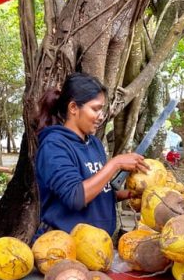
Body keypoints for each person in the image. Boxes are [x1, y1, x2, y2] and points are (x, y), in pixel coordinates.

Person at [35, 72, 149, 237]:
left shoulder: (94, 144)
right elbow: (75, 197)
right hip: (63, 248)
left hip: (98, 247)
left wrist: (129, 194)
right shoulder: (54, 146)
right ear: (73, 108)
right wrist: (115, 164)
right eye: (95, 109)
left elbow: (96, 192)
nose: (101, 116)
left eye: (102, 110)